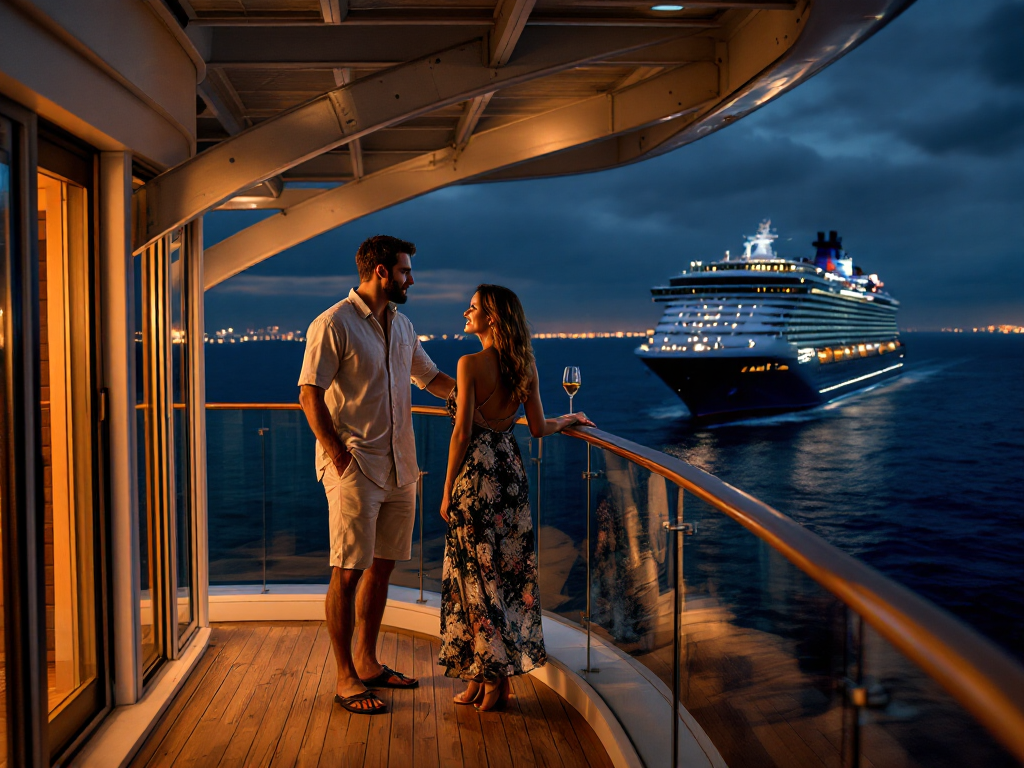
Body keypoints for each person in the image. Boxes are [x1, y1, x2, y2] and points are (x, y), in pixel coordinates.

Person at [298, 235, 455, 715]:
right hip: (356, 467)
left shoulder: (403, 325)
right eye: (405, 270)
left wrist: (486, 397)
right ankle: (346, 677)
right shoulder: (333, 324)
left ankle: (367, 662)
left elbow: (433, 380)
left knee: (383, 566)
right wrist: (338, 456)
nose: (412, 279)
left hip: (400, 466)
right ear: (382, 272)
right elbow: (309, 394)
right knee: (347, 572)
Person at [438, 284, 595, 711]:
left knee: (474, 577)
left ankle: (493, 680)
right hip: (510, 473)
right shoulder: (524, 365)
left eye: (472, 308)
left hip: (477, 478)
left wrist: (447, 487)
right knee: (505, 577)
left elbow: (463, 432)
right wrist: (572, 419)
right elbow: (540, 428)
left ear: (491, 317)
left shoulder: (469, 363)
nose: (465, 314)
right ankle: (482, 674)